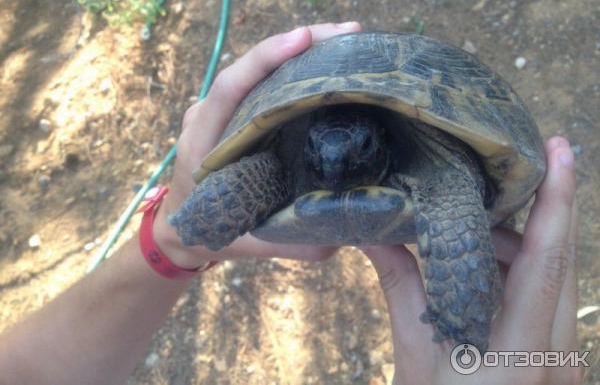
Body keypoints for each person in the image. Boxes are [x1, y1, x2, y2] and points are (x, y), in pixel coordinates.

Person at [0, 23, 582, 385]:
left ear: (381, 142)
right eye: (321, 155)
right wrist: (188, 227)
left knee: (458, 238)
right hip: (294, 152)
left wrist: (464, 324)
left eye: (356, 154)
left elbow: (457, 209)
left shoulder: (437, 159)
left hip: (432, 155)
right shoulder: (286, 160)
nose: (333, 167)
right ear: (307, 146)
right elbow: (232, 191)